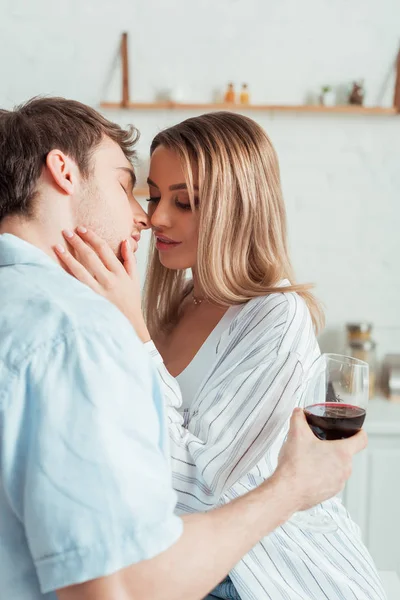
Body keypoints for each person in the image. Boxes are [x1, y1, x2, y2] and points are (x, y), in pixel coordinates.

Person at [0, 97, 368, 600]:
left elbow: (206, 484)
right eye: (152, 196)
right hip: (183, 566)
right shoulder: (162, 305)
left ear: (236, 207)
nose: (154, 218)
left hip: (267, 574)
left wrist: (133, 331)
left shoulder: (275, 316)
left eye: (185, 201)